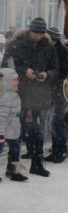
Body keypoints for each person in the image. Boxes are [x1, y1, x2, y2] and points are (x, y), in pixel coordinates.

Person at [1, 17, 59, 177]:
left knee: (37, 133)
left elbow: (56, 70)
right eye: (35, 32)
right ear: (30, 30)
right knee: (15, 134)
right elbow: (5, 67)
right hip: (18, 95)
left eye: (40, 33)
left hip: (39, 95)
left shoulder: (49, 48)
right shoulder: (16, 44)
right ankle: (13, 169)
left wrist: (46, 74)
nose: (37, 36)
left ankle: (37, 164)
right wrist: (23, 71)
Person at [44, 27, 68, 163]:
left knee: (55, 121)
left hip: (59, 91)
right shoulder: (54, 50)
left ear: (52, 38)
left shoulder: (61, 51)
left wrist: (50, 76)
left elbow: (62, 71)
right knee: (52, 121)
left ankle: (62, 150)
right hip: (53, 91)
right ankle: (56, 149)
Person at [0, 68, 28, 181]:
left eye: (17, 79)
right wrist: (1, 135)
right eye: (14, 80)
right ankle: (12, 171)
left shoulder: (14, 94)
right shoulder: (4, 97)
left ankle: (13, 171)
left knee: (15, 150)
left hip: (13, 129)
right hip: (4, 130)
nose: (17, 82)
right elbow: (1, 118)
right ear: (5, 82)